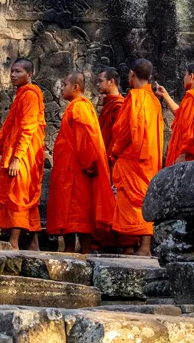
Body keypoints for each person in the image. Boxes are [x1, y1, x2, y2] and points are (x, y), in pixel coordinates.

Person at [46, 71, 114, 251]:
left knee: (78, 209)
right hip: (70, 168)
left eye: (65, 85)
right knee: (70, 210)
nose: (62, 89)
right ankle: (70, 250)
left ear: (76, 87)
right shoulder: (76, 107)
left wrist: (89, 162)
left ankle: (83, 250)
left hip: (78, 169)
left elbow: (85, 138)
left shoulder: (80, 107)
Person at [108, 58, 163, 255]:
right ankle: (137, 246)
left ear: (132, 74)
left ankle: (140, 246)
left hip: (132, 159)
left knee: (131, 202)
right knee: (143, 200)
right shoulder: (155, 101)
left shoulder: (135, 98)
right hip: (150, 159)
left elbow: (123, 130)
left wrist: (114, 152)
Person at [0, 58, 46, 250]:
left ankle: (14, 242)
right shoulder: (23, 95)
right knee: (27, 196)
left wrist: (17, 157)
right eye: (12, 72)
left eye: (18, 72)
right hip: (23, 153)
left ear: (29, 74)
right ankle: (33, 243)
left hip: (23, 155)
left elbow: (27, 128)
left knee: (19, 194)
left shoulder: (30, 95)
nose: (13, 75)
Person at [156, 63, 194, 166]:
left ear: (191, 76)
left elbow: (189, 130)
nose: (183, 78)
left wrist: (182, 154)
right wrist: (166, 95)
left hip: (187, 155)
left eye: (185, 75)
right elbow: (180, 114)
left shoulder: (193, 99)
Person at [97, 67, 124, 157]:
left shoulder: (119, 106)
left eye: (101, 81)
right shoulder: (108, 104)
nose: (98, 84)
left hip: (111, 158)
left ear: (111, 82)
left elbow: (119, 137)